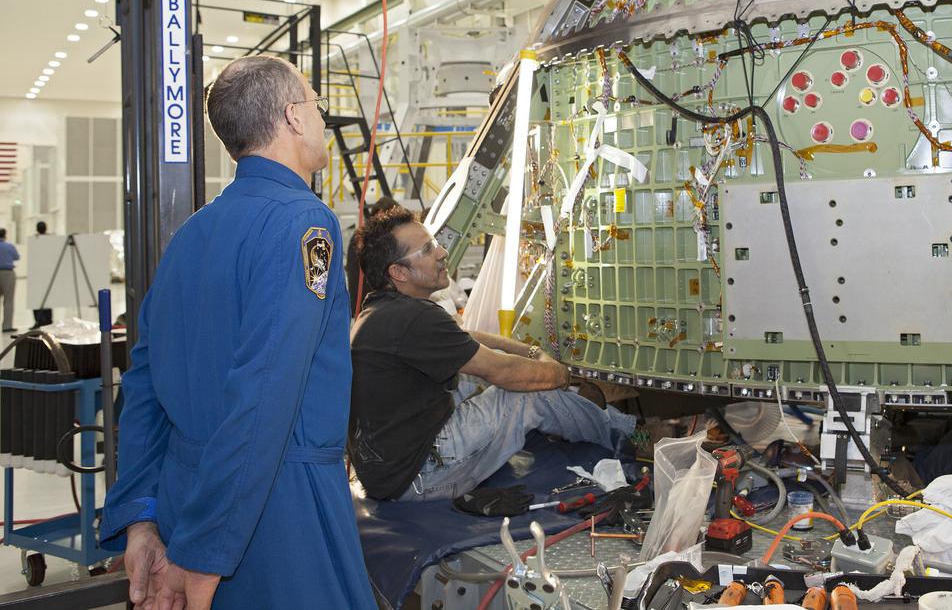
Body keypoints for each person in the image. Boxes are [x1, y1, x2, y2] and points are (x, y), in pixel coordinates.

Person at [100, 55, 375, 610]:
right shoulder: (305, 223)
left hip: (187, 504)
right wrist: (204, 556)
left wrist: (141, 519)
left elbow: (144, 388)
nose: (321, 119)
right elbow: (264, 395)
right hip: (273, 514)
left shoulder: (190, 235)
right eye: (317, 105)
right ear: (294, 117)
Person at [348, 206, 635, 502]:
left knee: (474, 379)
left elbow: (466, 339)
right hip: (420, 476)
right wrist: (561, 374)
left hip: (387, 471)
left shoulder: (383, 310)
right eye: (428, 248)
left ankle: (581, 412)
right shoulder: (411, 318)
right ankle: (623, 434)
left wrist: (530, 350)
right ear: (398, 272)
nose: (443, 252)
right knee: (526, 394)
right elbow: (506, 373)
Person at [30, 221, 51, 327]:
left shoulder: (35, 240)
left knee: (41, 297)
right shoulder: (49, 240)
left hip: (39, 273)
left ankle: (42, 319)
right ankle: (46, 319)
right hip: (43, 272)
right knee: (42, 297)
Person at [0, 229, 17, 333]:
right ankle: (7, 326)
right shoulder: (9, 246)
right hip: (8, 272)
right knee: (8, 300)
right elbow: (16, 256)